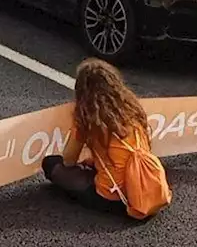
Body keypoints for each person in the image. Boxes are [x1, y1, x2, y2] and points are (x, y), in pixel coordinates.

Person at [42, 58, 161, 215]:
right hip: (144, 186)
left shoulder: (87, 119)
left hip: (115, 198)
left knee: (51, 164)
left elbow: (69, 160)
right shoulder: (132, 110)